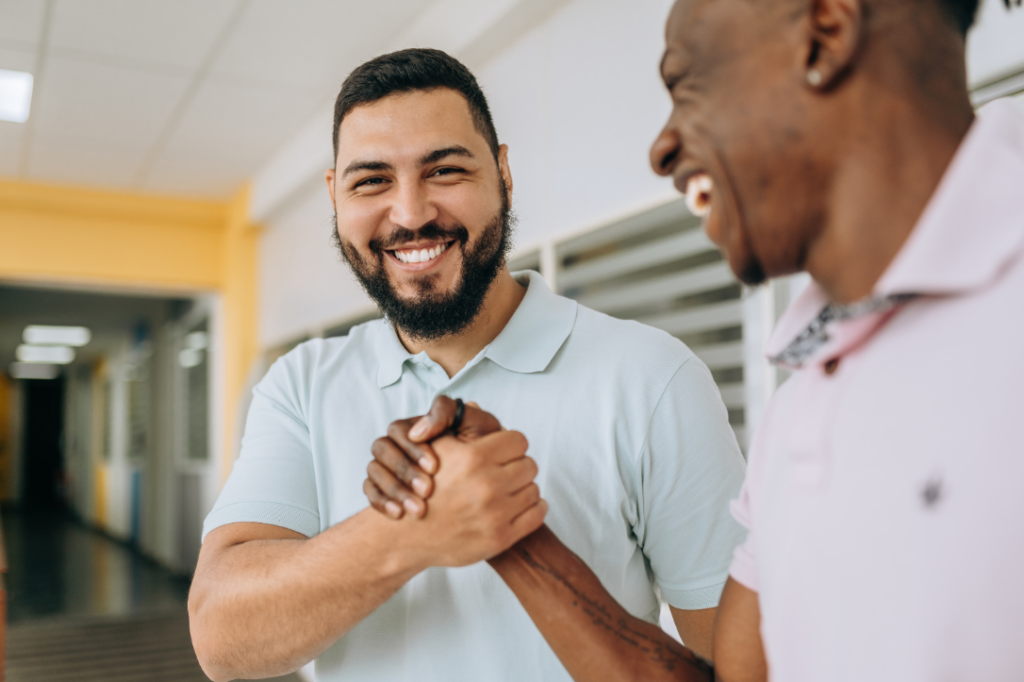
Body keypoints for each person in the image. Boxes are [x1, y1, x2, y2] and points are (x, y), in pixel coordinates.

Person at [366, 0, 1024, 680]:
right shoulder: (811, 381)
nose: (662, 148)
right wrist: (507, 531)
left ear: (824, 34)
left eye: (686, 86)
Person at [188, 48, 746, 682]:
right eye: (371, 180)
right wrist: (407, 533)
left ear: (503, 172)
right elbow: (220, 639)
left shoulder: (653, 378)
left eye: (445, 170)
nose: (411, 213)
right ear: (334, 196)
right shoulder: (300, 385)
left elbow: (736, 666)